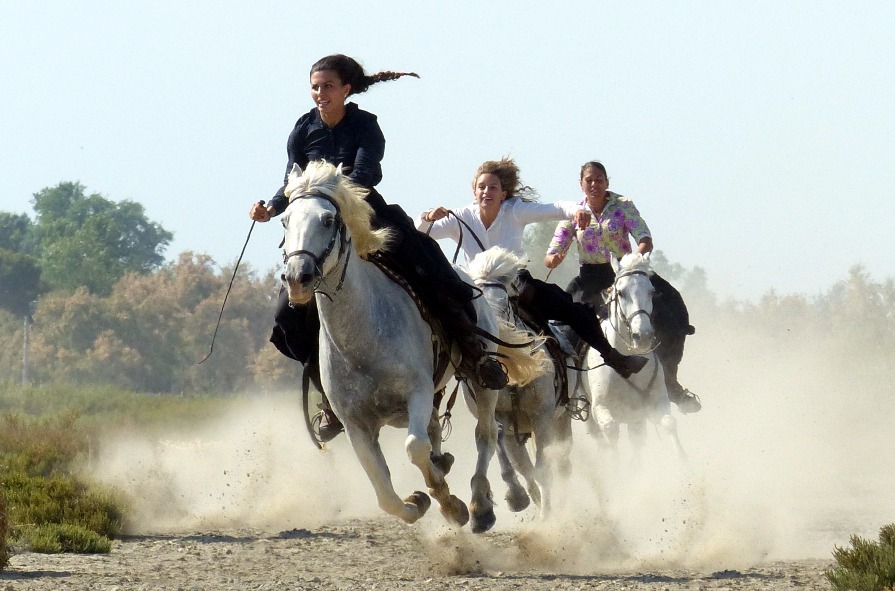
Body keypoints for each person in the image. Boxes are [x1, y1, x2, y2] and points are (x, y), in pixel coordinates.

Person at [250, 55, 508, 441]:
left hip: (370, 217)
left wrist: (328, 194)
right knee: (287, 317)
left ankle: (473, 353)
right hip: (320, 235)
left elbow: (365, 174)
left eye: (328, 86)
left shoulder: (366, 125)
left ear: (346, 89)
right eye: (315, 87)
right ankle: (332, 399)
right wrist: (271, 206)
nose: (321, 94)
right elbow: (292, 180)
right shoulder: (303, 129)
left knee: (434, 271)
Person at [416, 158, 647, 379]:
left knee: (575, 310)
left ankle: (615, 359)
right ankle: (434, 390)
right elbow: (421, 231)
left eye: (493, 187)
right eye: (482, 187)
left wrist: (577, 210)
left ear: (503, 194)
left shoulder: (515, 210)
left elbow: (553, 208)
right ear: (474, 193)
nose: (487, 192)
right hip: (476, 290)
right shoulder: (460, 217)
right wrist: (427, 217)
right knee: (438, 319)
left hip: (516, 283)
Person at [543, 160, 701, 414]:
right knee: (563, 329)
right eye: (589, 180)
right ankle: (572, 392)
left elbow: (644, 239)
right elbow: (553, 252)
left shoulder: (622, 206)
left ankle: (669, 382)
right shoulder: (575, 213)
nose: (594, 184)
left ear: (607, 182)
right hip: (591, 279)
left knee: (671, 313)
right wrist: (555, 258)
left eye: (599, 179)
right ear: (581, 184)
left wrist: (633, 261)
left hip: (628, 272)